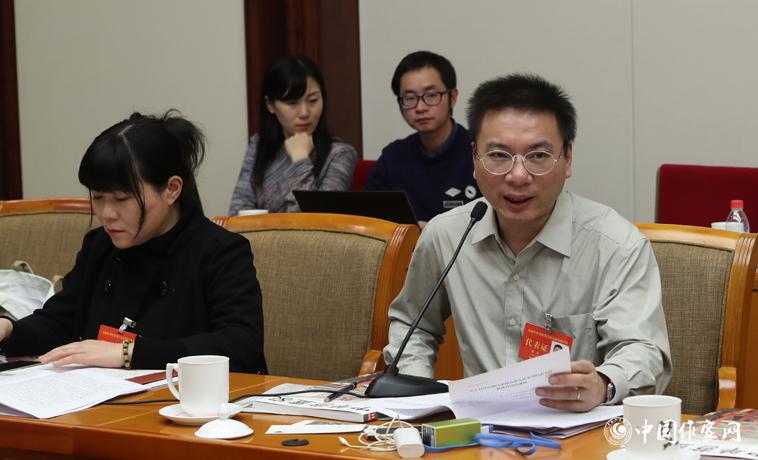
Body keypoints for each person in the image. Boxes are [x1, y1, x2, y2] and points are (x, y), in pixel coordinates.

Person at [383, 74, 672, 412]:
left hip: (577, 429)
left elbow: (644, 349)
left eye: (537, 156)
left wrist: (603, 384)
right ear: (474, 160)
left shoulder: (615, 245)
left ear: (567, 159)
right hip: (475, 431)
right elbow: (412, 325)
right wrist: (421, 396)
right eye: (499, 155)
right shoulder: (447, 235)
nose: (517, 176)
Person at [0, 111, 267, 373]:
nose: (107, 214)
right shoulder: (100, 245)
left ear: (172, 189)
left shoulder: (219, 251)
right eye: (98, 197)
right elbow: (61, 321)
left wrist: (128, 352)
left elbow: (240, 345)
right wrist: (9, 330)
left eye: (122, 199)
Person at [229, 55, 357, 215]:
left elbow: (316, 219)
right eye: (292, 103)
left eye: (313, 100)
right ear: (270, 105)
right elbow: (238, 211)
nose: (304, 113)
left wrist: (300, 161)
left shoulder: (340, 154)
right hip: (259, 233)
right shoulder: (258, 145)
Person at [366, 51, 479, 227]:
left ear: (452, 97)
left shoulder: (479, 151)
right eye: (410, 98)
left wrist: (433, 232)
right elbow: (369, 216)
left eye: (431, 95)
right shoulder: (393, 157)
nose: (420, 107)